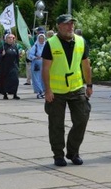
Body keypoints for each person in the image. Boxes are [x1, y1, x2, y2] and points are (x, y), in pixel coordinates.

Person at [42, 14, 93, 167]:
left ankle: (73, 151)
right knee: (56, 124)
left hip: (76, 88)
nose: (70, 27)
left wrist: (89, 85)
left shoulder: (81, 41)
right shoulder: (51, 44)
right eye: (66, 24)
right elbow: (45, 68)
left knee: (82, 119)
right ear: (59, 26)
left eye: (72, 24)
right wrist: (48, 90)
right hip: (56, 91)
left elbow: (86, 65)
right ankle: (58, 154)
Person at [0, 33, 21, 100]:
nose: (11, 39)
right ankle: (5, 94)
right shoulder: (3, 47)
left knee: (15, 80)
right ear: (6, 39)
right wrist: (2, 55)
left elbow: (17, 57)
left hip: (13, 67)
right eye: (9, 38)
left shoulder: (15, 46)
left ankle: (15, 94)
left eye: (12, 38)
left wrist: (18, 66)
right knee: (5, 81)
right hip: (5, 67)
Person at [28, 32, 47, 99]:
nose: (41, 40)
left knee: (44, 78)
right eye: (40, 38)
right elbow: (30, 55)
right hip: (36, 65)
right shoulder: (35, 46)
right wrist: (35, 57)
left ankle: (44, 91)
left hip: (45, 65)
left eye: (42, 38)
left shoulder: (46, 46)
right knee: (37, 78)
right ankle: (39, 91)